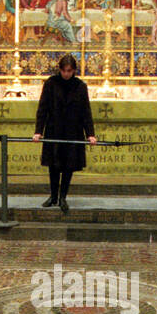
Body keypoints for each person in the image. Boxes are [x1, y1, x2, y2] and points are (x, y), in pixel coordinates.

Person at [32, 54, 97, 214]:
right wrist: (38, 131)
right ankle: (53, 196)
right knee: (54, 165)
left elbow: (85, 111)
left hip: (73, 131)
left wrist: (90, 134)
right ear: (59, 70)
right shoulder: (51, 83)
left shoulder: (80, 86)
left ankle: (63, 197)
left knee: (68, 166)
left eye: (69, 71)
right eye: (63, 71)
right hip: (54, 129)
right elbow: (43, 109)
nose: (66, 74)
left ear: (74, 70)